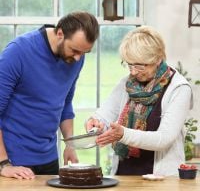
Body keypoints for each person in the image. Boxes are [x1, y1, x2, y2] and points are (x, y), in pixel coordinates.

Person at [0, 11, 99, 179]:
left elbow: (65, 103)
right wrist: (3, 164)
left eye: (83, 53)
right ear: (60, 33)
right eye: (74, 50)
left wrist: (69, 144)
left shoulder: (76, 58)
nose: (78, 58)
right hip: (13, 160)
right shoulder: (18, 52)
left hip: (49, 159)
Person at [85, 26, 193, 176]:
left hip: (161, 180)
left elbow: (164, 139)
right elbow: (105, 114)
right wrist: (95, 121)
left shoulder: (179, 88)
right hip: (125, 175)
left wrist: (123, 134)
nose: (133, 72)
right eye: (129, 64)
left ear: (157, 59)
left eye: (139, 66)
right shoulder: (127, 84)